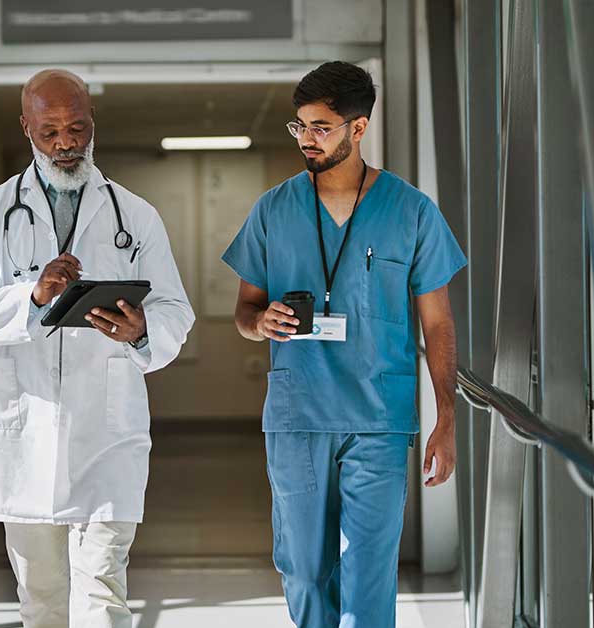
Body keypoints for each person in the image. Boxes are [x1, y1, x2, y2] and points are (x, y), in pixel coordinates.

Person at [0, 69, 194, 628]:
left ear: (91, 125)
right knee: (42, 600)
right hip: (24, 425)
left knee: (103, 591)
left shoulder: (136, 214)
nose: (65, 142)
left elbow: (176, 309)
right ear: (26, 128)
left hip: (106, 430)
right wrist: (31, 296)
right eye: (49, 130)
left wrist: (142, 332)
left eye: (76, 128)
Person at [222, 61, 467, 628]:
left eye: (321, 127)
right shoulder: (273, 209)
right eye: (300, 126)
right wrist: (260, 325)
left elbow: (438, 325)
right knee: (304, 570)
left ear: (358, 129)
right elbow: (244, 311)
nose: (307, 139)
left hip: (379, 417)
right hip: (298, 414)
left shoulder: (411, 211)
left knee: (368, 570)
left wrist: (446, 420)